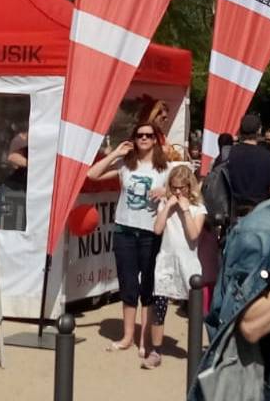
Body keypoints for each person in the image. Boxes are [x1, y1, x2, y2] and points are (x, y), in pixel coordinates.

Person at [87, 121, 180, 356]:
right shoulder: (125, 165)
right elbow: (92, 174)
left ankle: (144, 339)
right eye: (140, 135)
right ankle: (128, 336)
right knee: (128, 284)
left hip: (151, 233)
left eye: (149, 135)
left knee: (148, 285)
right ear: (134, 138)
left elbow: (187, 190)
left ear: (156, 139)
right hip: (124, 231)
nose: (144, 139)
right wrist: (116, 152)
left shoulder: (166, 168)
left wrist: (165, 192)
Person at [150, 165, 206, 371]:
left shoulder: (198, 209)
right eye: (174, 188)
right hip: (166, 260)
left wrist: (185, 210)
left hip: (188, 263)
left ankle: (196, 350)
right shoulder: (166, 202)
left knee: (194, 308)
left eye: (181, 188)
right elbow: (157, 230)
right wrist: (167, 206)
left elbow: (193, 235)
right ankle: (156, 350)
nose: (177, 192)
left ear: (189, 187)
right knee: (159, 305)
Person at [226, 114, 270, 215]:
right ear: (259, 130)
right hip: (259, 214)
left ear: (240, 130)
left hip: (232, 213)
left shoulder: (229, 153)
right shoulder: (267, 156)